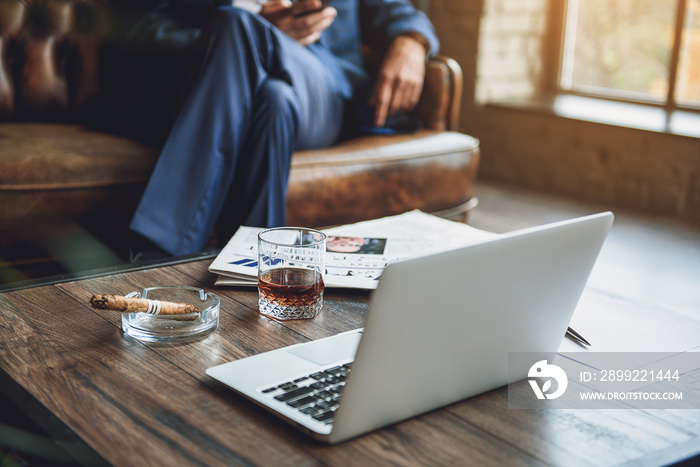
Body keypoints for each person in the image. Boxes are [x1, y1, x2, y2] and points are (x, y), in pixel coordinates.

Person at [124, 0, 439, 258]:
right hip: (226, 81)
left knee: (237, 24)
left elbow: (399, 10)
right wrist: (233, 34)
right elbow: (136, 26)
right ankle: (256, 264)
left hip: (321, 87)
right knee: (275, 99)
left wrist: (412, 41)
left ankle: (160, 251)